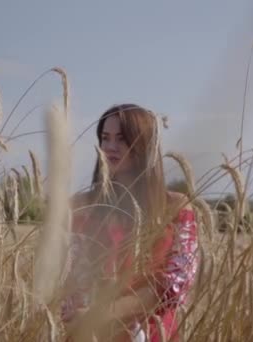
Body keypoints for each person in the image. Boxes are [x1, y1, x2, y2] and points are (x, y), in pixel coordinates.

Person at [61, 104, 199, 341]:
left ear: (144, 145)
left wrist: (100, 313)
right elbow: (68, 275)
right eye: (105, 138)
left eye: (122, 139)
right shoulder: (80, 206)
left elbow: (175, 285)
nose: (110, 147)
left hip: (154, 334)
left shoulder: (174, 207)